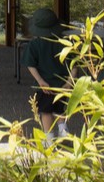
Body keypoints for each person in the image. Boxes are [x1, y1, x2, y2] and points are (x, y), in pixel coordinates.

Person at [19, 8, 71, 137]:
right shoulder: (65, 43)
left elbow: (30, 65)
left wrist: (40, 81)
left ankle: (48, 137)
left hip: (44, 85)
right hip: (63, 83)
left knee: (46, 111)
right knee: (60, 108)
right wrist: (70, 82)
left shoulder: (34, 44)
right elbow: (74, 64)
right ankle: (63, 128)